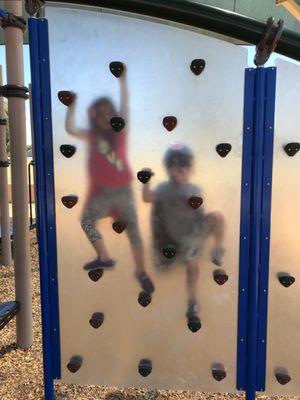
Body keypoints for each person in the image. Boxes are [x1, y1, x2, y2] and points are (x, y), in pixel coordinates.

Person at [64, 65, 154, 294]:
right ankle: (104, 256)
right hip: (103, 193)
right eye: (100, 114)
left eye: (108, 113)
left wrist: (123, 80)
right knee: (86, 221)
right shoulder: (93, 135)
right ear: (95, 116)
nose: (105, 117)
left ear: (113, 116)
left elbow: (125, 105)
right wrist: (71, 106)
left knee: (134, 232)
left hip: (122, 190)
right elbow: (71, 129)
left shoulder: (119, 132)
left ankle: (141, 272)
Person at [141, 144, 225, 328]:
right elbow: (147, 198)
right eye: (179, 167)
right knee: (191, 265)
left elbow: (201, 213)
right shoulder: (164, 188)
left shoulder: (194, 188)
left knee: (217, 217)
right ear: (170, 169)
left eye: (186, 167)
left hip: (191, 235)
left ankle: (218, 251)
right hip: (173, 240)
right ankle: (192, 303)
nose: (183, 171)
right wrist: (145, 181)